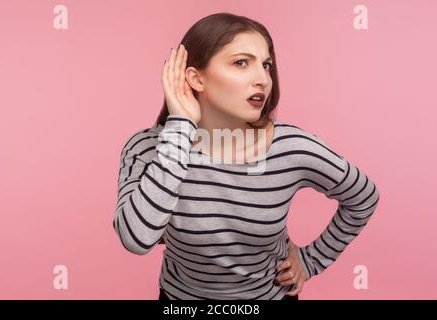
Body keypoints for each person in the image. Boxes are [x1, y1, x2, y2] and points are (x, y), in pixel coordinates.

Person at [112, 12, 380, 300]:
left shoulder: (291, 146)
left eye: (266, 65)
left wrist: (311, 260)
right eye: (241, 63)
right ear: (195, 78)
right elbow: (136, 239)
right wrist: (179, 128)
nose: (263, 79)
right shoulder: (147, 148)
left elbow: (363, 197)